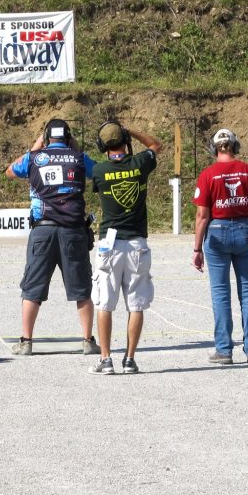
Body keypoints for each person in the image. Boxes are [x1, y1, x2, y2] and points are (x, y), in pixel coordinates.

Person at [5, 118, 99, 356]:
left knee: (32, 288)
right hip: (73, 231)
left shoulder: (34, 158)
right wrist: (74, 148)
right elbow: (97, 173)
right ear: (68, 137)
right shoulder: (79, 158)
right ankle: (88, 340)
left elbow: (9, 171)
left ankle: (26, 341)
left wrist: (37, 146)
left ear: (46, 137)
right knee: (82, 290)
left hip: (42, 231)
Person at [192, 128, 248, 365]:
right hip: (244, 230)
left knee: (221, 294)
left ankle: (224, 350)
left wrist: (197, 249)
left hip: (217, 233)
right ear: (235, 146)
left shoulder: (208, 174)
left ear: (214, 148)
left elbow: (202, 215)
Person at [87, 122, 162, 375]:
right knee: (136, 304)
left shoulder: (99, 170)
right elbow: (155, 145)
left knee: (104, 304)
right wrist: (134, 132)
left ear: (103, 146)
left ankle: (106, 359)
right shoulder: (139, 164)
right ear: (125, 141)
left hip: (110, 242)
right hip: (136, 242)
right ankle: (129, 359)